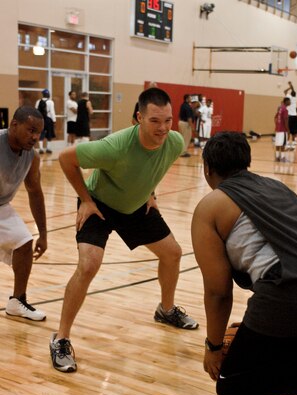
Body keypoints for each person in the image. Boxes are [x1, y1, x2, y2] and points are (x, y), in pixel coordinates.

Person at [49, 87, 199, 373]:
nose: (163, 128)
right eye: (155, 121)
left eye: (167, 120)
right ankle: (61, 338)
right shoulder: (114, 146)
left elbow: (154, 166)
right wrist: (87, 200)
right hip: (100, 206)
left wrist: (151, 193)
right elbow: (66, 158)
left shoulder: (175, 142)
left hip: (136, 206)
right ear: (138, 119)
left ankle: (166, 310)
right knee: (89, 265)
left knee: (173, 254)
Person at [191, 131, 297, 395]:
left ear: (207, 168)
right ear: (247, 162)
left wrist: (214, 347)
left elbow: (217, 291)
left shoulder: (211, 205)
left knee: (234, 385)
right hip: (291, 293)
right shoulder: (275, 186)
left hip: (287, 292)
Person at [0, 106, 48, 321]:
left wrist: (44, 234)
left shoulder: (32, 157)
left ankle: (17, 302)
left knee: (24, 242)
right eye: (31, 130)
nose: (35, 137)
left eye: (38, 132)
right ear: (14, 125)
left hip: (2, 206)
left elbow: (35, 193)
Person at [35, 89, 56, 154]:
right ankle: (48, 148)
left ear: (43, 94)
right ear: (48, 94)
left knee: (41, 133)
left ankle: (41, 149)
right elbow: (52, 112)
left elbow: (36, 110)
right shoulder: (51, 102)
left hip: (40, 119)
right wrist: (54, 120)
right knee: (49, 133)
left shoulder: (38, 101)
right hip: (49, 119)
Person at [284, 81, 297, 147]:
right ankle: (293, 143)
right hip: (295, 117)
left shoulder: (289, 98)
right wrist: (291, 86)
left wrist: (289, 86)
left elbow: (285, 91)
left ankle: (287, 142)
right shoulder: (296, 97)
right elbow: (293, 90)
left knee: (288, 130)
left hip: (290, 117)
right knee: (294, 131)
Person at [274, 97, 290, 162]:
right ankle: (283, 158)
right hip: (283, 130)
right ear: (286, 101)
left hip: (278, 129)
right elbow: (285, 120)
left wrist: (277, 125)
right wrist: (288, 130)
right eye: (289, 101)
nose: (290, 102)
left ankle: (277, 157)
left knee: (278, 144)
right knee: (283, 144)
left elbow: (275, 118)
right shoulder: (285, 110)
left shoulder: (280, 108)